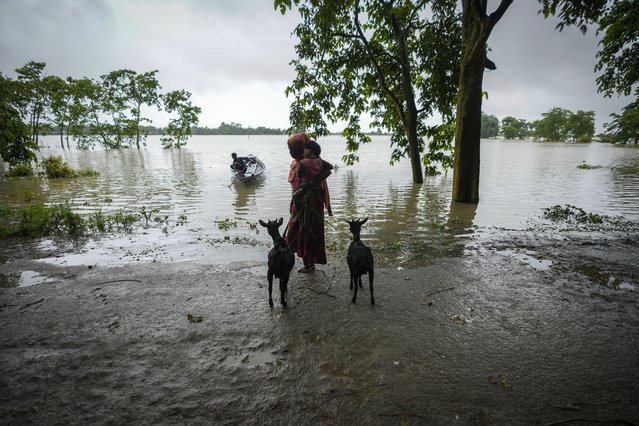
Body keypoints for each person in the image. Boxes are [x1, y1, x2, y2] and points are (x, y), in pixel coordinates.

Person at [285, 135, 333, 273]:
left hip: (311, 203)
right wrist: (293, 201)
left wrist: (328, 205)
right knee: (295, 230)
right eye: (289, 148)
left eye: (294, 148)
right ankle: (292, 259)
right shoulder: (299, 163)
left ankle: (309, 264)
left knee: (309, 232)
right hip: (299, 201)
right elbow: (296, 186)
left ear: (304, 149)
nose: (291, 152)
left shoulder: (312, 163)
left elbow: (323, 182)